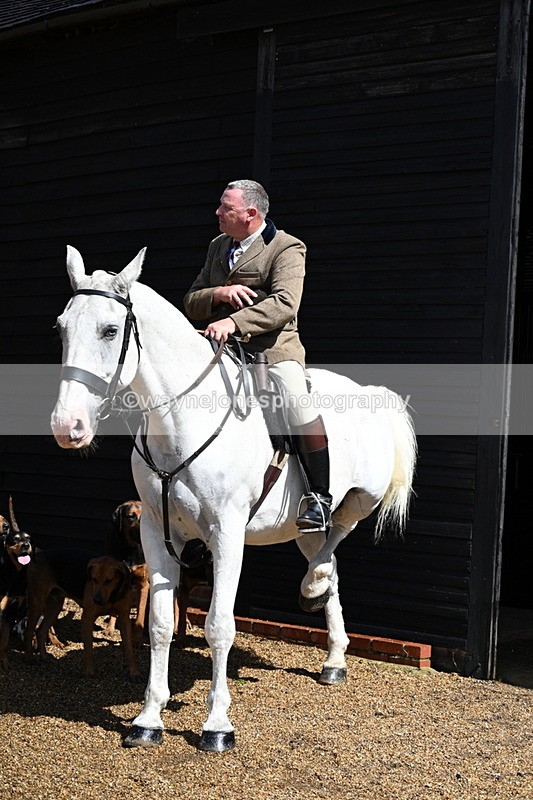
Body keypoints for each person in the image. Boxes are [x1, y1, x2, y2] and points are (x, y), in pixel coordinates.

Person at [183, 179, 332, 532]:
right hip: (220, 347)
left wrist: (234, 322)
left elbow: (285, 304)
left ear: (250, 214)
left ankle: (320, 498)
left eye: (226, 208)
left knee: (298, 402)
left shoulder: (287, 247)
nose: (217, 213)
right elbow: (192, 302)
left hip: (273, 351)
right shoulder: (219, 246)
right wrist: (219, 292)